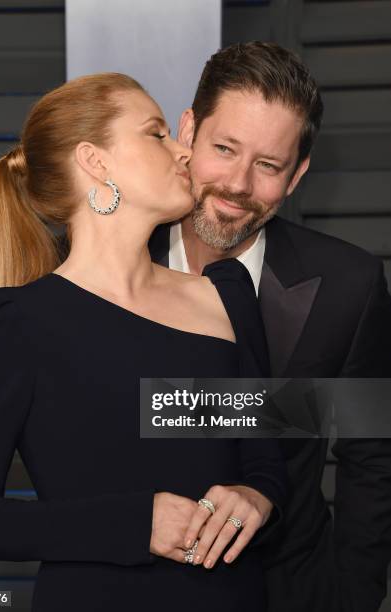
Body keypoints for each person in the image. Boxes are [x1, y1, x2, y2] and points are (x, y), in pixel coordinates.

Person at [0, 73, 287, 612]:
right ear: (94, 161)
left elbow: (264, 458)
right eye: (156, 133)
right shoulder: (6, 322)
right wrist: (135, 523)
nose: (182, 151)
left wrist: (256, 496)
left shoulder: (227, 294)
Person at [146, 42, 391, 612]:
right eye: (224, 148)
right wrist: (300, 407)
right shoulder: (101, 266)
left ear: (298, 173)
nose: (237, 184)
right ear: (188, 130)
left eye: (268, 165)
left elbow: (373, 455)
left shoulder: (349, 285)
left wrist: (351, 597)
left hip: (291, 590)